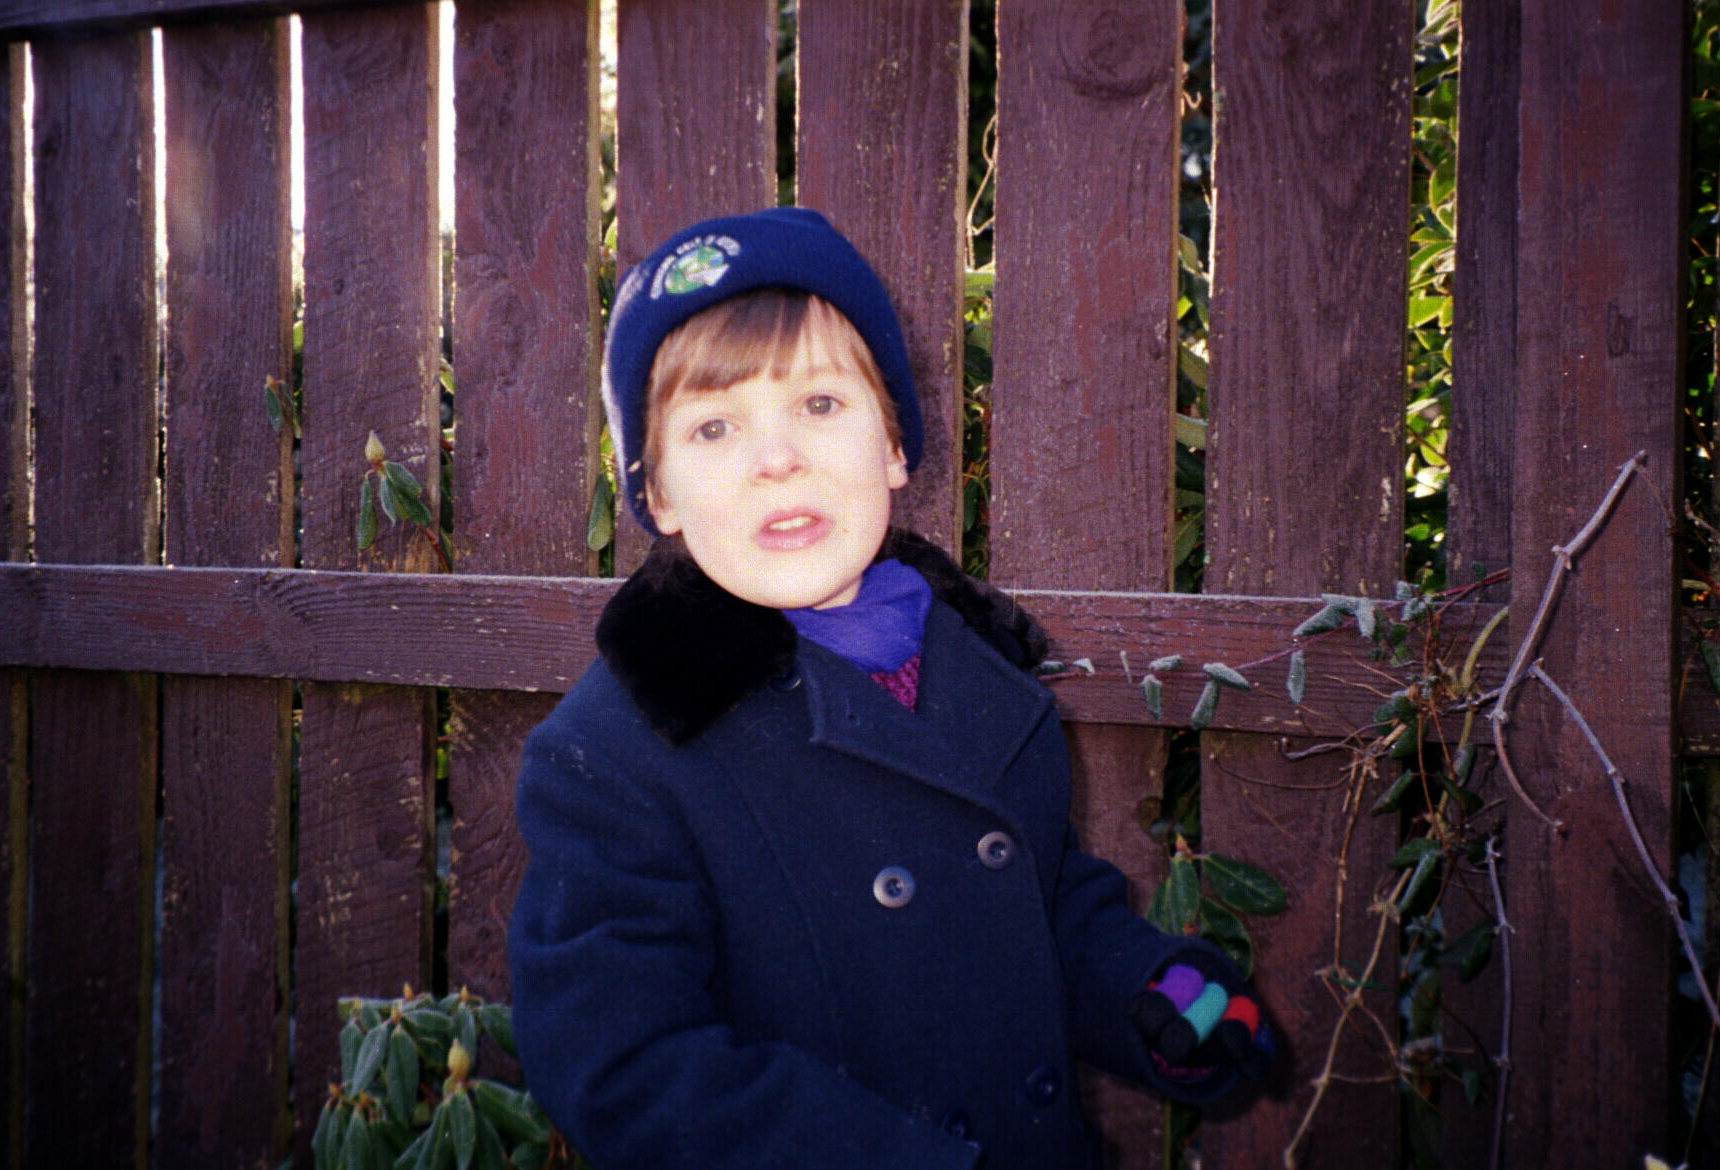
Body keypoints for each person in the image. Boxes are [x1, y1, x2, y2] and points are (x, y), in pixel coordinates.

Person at [508, 207, 1271, 1169]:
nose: (775, 457)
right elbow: (623, 1066)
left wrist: (1158, 994)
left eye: (821, 405)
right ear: (656, 494)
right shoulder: (618, 753)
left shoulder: (979, 668)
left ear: (895, 445)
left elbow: (1037, 913)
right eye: (712, 425)